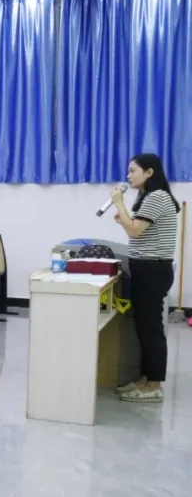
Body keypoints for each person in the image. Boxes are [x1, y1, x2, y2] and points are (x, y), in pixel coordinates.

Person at [111, 153, 181, 403]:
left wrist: (119, 204)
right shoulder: (149, 197)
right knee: (143, 327)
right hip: (146, 268)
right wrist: (124, 219)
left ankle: (154, 386)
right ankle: (145, 379)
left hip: (153, 270)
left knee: (151, 329)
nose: (128, 176)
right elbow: (136, 230)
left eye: (133, 171)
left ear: (149, 172)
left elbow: (135, 231)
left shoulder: (157, 197)